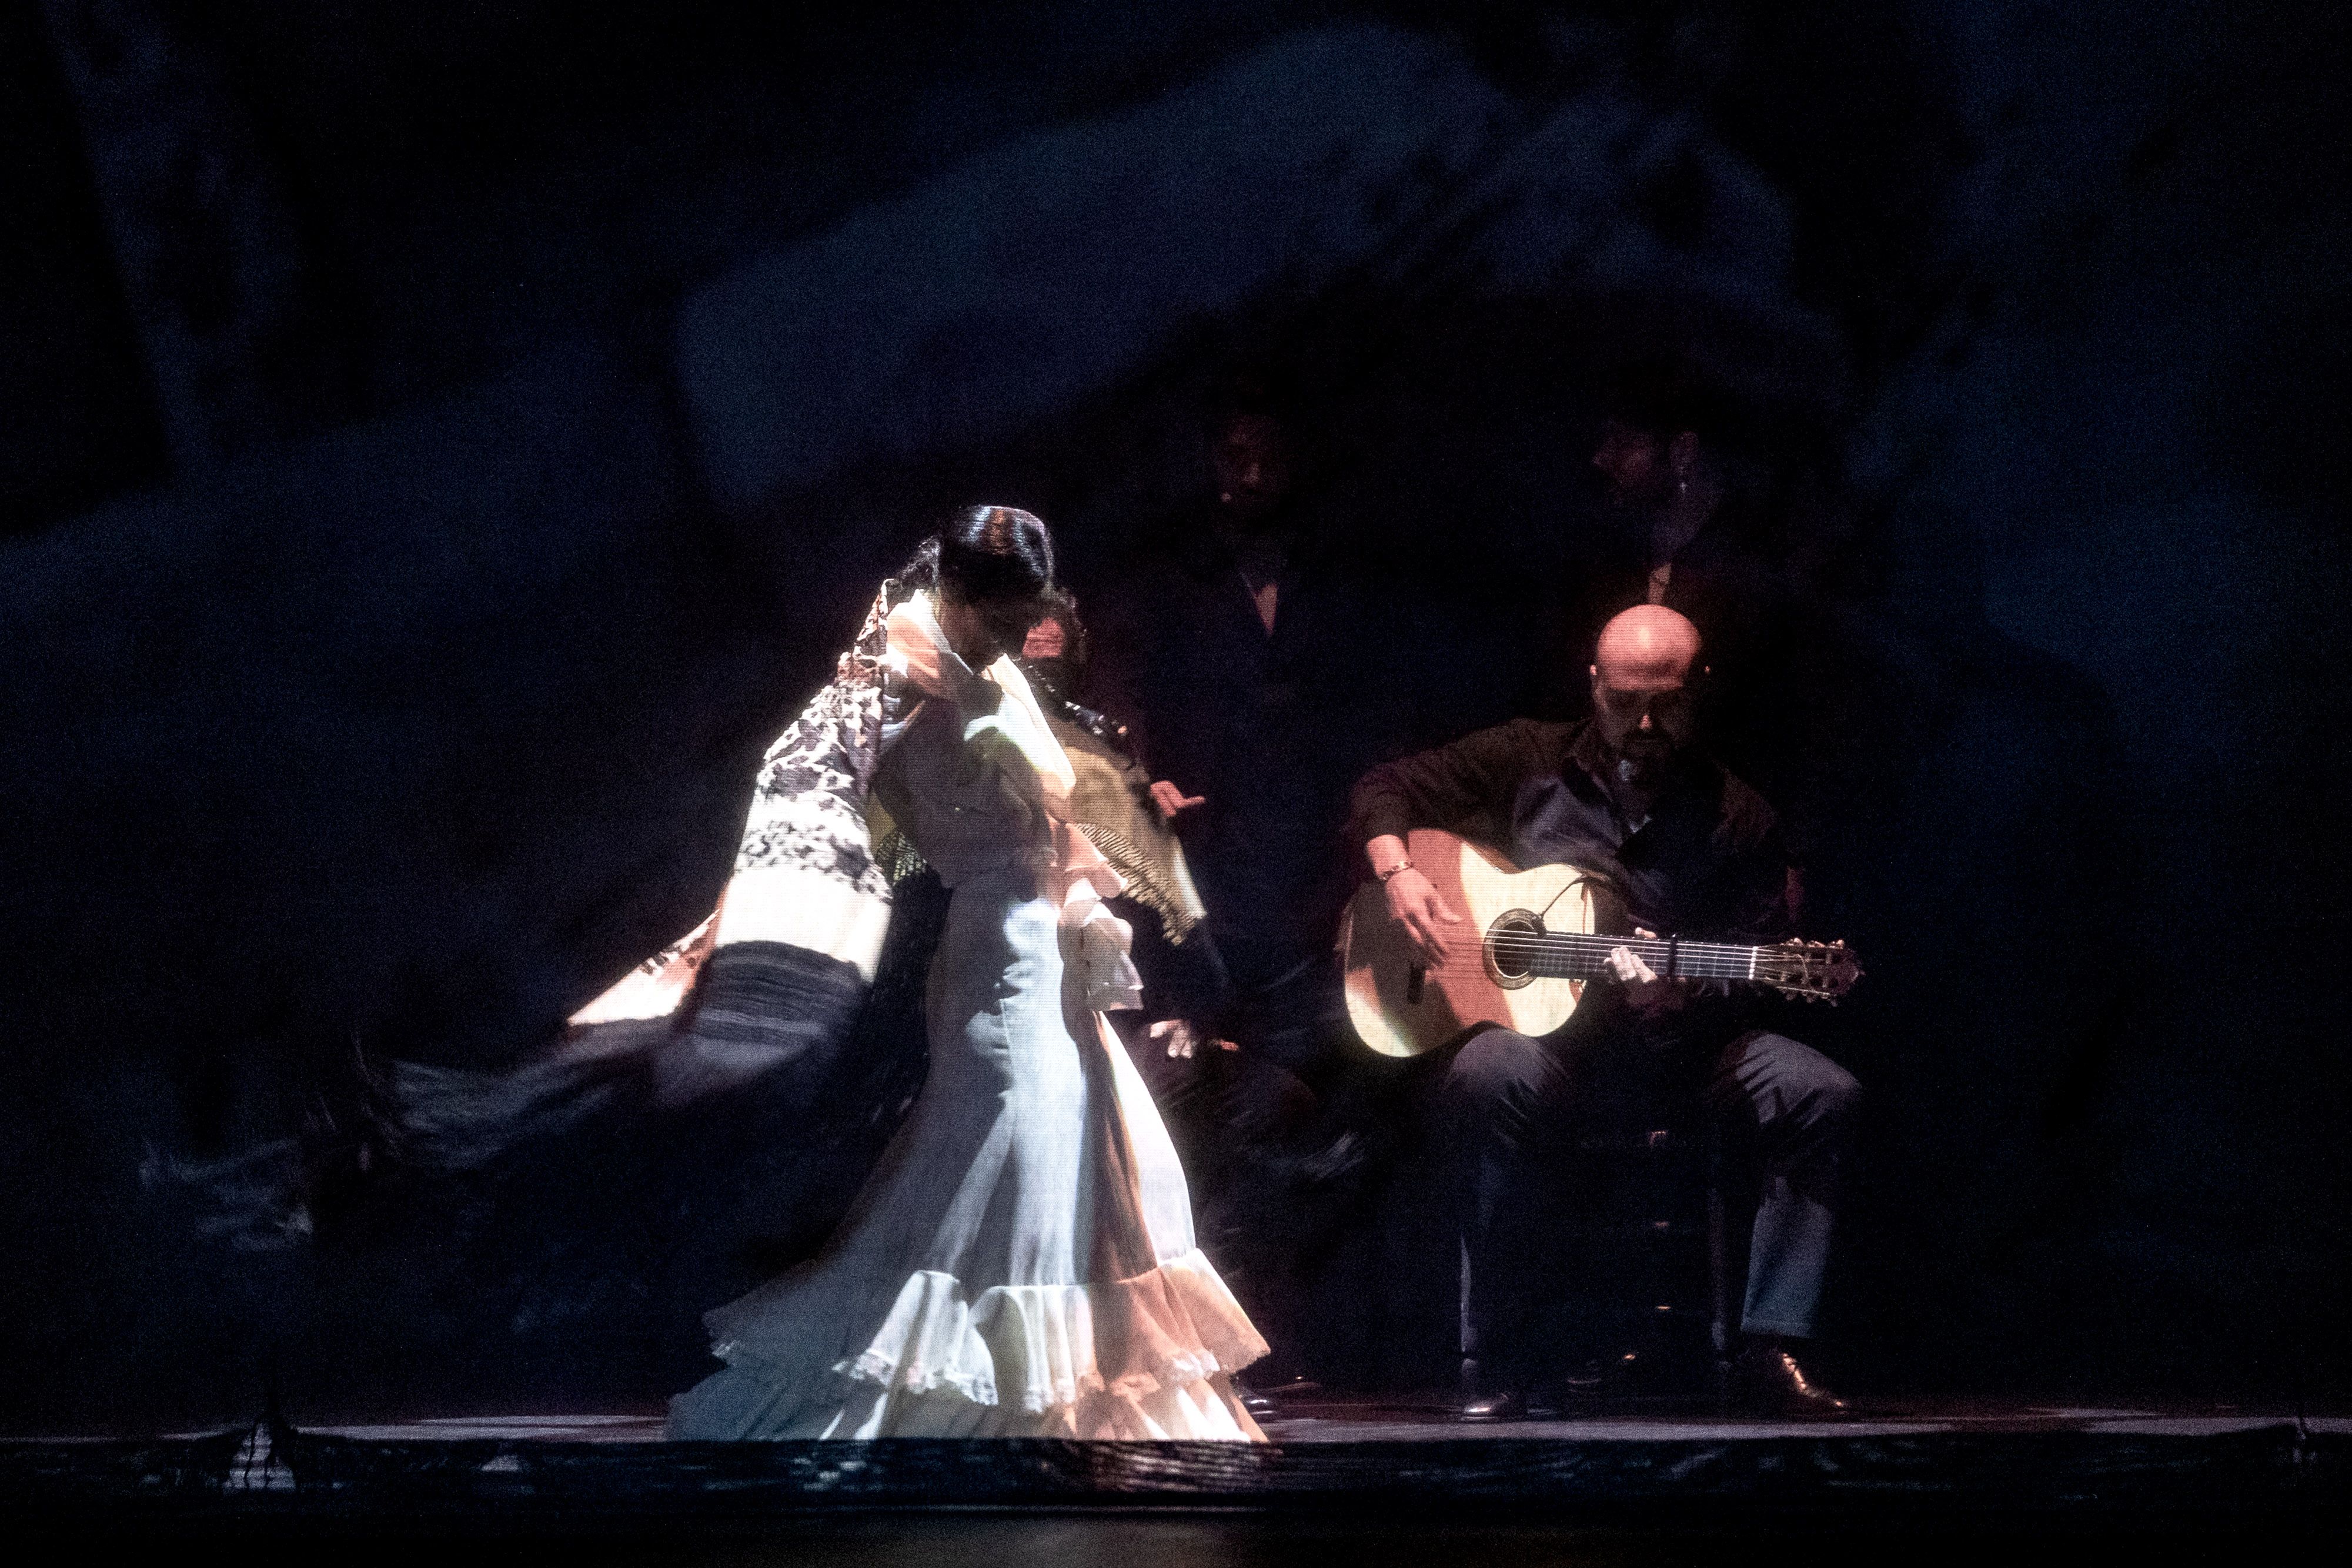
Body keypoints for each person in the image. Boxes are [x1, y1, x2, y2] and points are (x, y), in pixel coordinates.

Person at [664, 506, 1268, 1440]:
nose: (1017, 633)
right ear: (962, 593)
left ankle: (1064, 1406)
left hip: (1043, 947)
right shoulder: (907, 657)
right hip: (995, 949)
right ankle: (992, 1401)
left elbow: (1051, 804)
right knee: (1014, 1155)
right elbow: (829, 766)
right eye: (1004, 612)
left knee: (1097, 1166)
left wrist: (1088, 900)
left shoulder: (988, 668)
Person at [1350, 604, 1859, 1420]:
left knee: (1819, 1092)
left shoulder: (1738, 816)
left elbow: (1758, 952)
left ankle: (1772, 1344)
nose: (1645, 724)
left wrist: (1681, 994)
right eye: (1624, 701)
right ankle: (1504, 1359)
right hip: (1555, 1050)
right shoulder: (1525, 758)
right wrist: (1398, 871)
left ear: (1699, 691)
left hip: (1684, 1054)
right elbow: (1384, 786)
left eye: (1666, 704)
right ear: (1594, 685)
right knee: (1485, 1072)